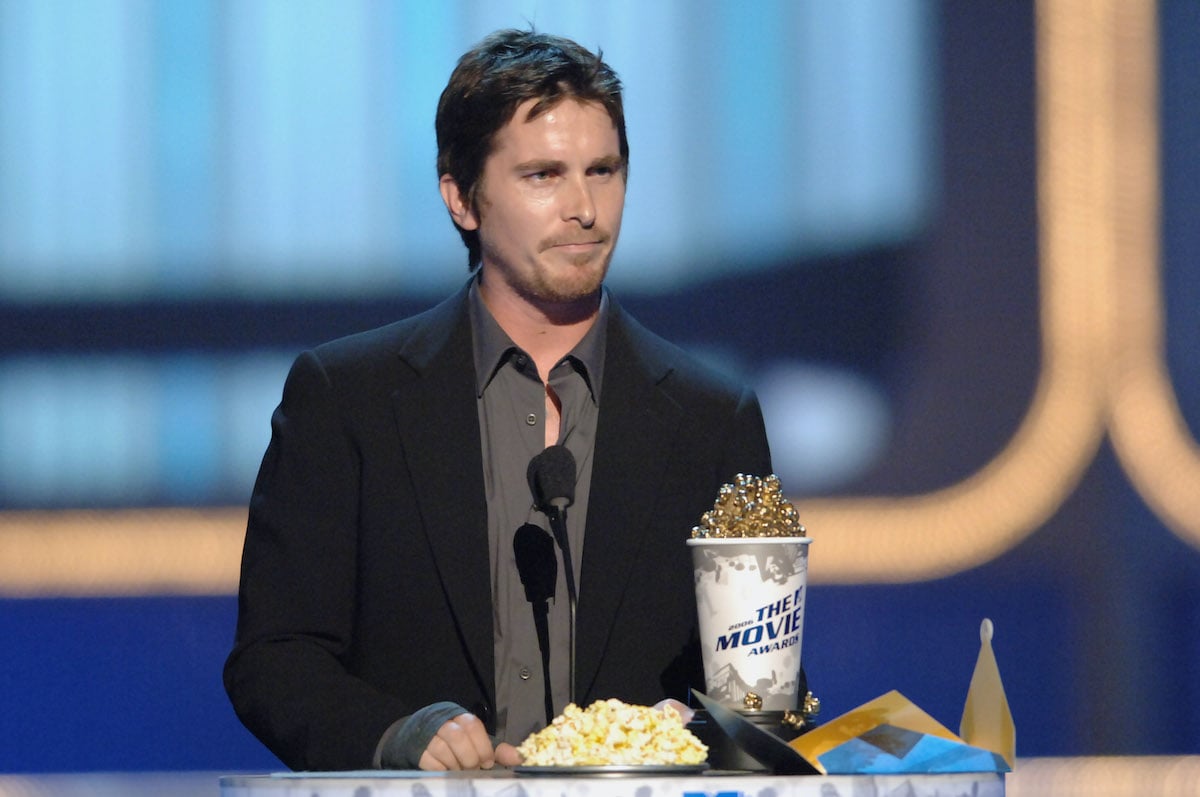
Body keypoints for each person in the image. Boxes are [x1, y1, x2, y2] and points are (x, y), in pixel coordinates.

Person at [223, 28, 773, 772]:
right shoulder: (346, 399)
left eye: (603, 170)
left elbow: (768, 687)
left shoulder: (713, 419)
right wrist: (399, 735)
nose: (584, 207)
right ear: (462, 197)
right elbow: (275, 659)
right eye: (544, 175)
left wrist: (693, 731)